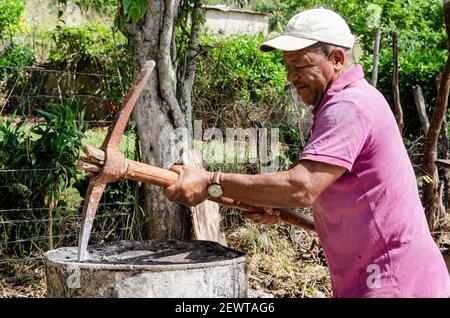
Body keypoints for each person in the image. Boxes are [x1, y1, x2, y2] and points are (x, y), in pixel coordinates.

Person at [164, 8, 450, 298]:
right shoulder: (353, 99)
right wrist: (282, 211)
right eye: (288, 66)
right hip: (393, 278)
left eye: (299, 65)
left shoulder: (348, 106)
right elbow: (355, 203)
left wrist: (210, 180)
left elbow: (302, 187)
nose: (291, 76)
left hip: (393, 283)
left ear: (336, 58)